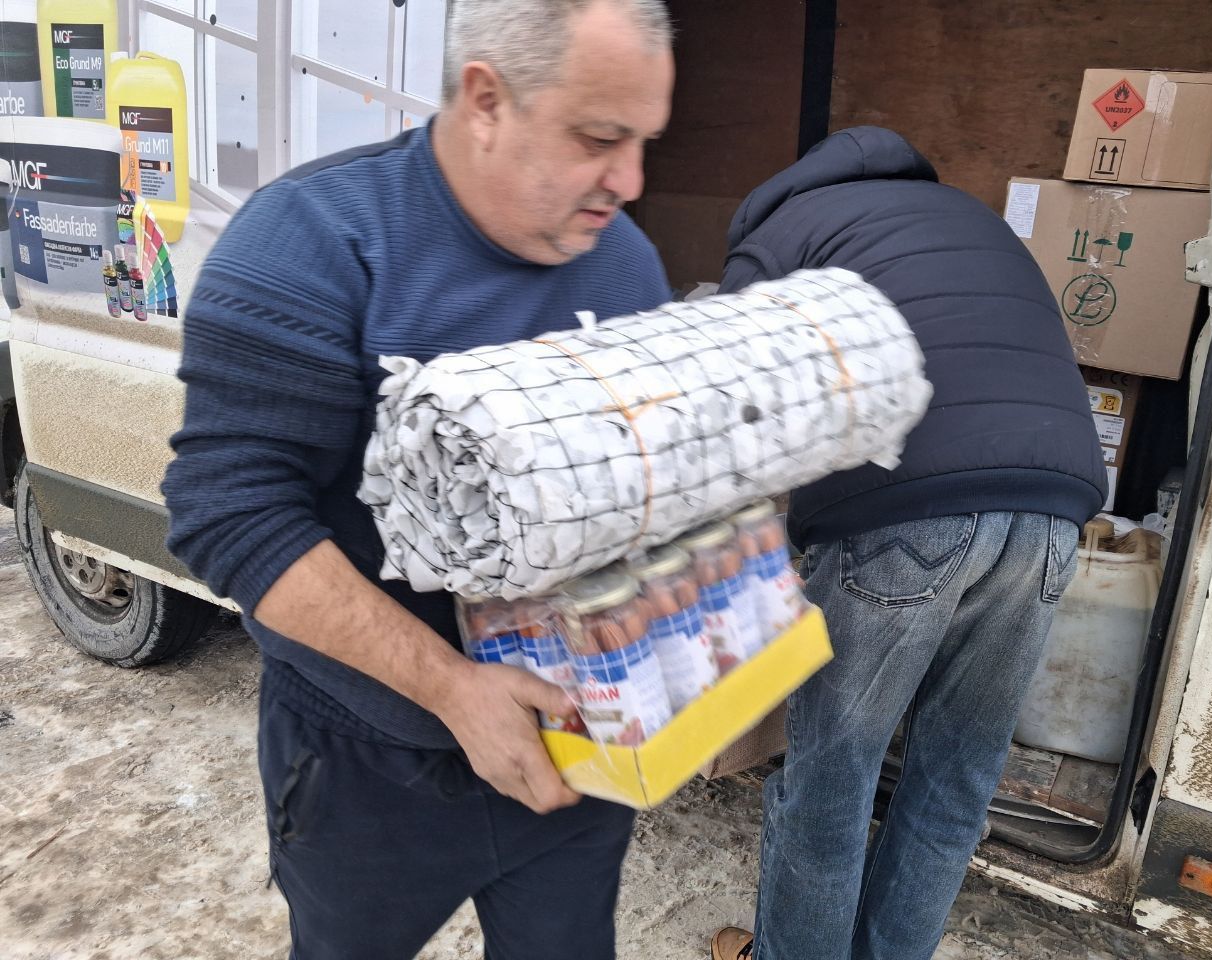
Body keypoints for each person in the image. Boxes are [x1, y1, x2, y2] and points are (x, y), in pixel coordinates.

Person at [160, 2, 674, 958]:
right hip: (366, 766)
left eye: (645, 141)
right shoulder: (310, 241)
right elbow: (229, 512)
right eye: (600, 139)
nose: (631, 181)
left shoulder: (627, 265)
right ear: (486, 100)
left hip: (577, 743)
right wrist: (452, 689)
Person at [710, 127, 1108, 960]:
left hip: (907, 503)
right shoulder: (969, 217)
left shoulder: (778, 236)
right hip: (1053, 509)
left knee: (830, 782)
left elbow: (728, 408)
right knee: (953, 782)